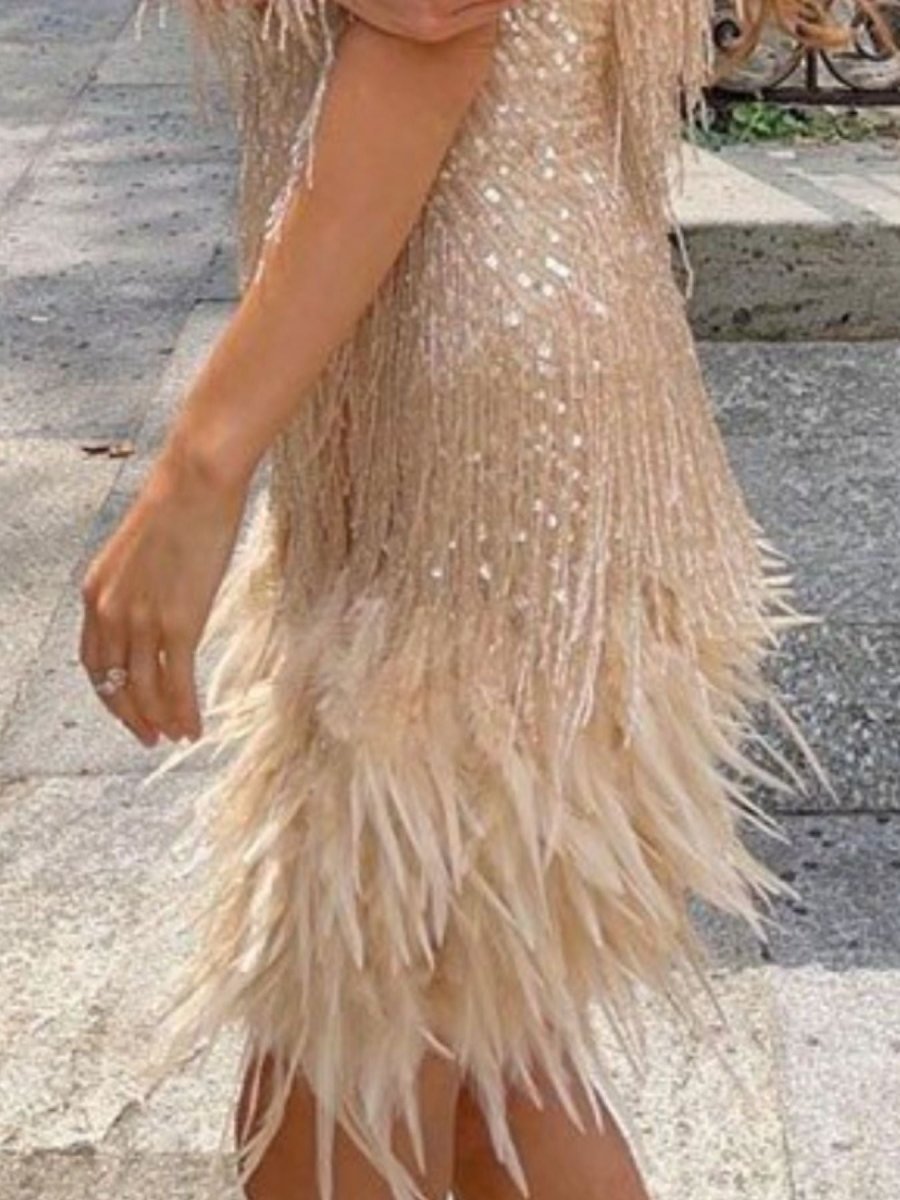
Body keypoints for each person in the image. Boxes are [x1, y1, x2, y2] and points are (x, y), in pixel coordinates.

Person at [78, 1, 841, 1197]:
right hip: (493, 408)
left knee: (345, 1076)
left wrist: (198, 471)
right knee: (494, 1073)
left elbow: (425, 37)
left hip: (473, 459)